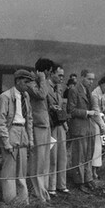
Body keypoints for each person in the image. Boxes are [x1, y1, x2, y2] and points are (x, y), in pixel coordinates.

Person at [0, 69, 34, 204]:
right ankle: (10, 202)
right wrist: (6, 141)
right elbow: (1, 122)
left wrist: (30, 139)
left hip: (23, 131)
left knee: (22, 171)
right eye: (26, 82)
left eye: (29, 82)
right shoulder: (5, 97)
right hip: (11, 131)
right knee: (9, 171)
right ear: (17, 81)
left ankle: (23, 202)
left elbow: (29, 118)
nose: (28, 85)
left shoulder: (26, 96)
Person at [25, 57, 55, 203]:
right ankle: (38, 193)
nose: (49, 75)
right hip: (37, 125)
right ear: (45, 71)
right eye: (49, 72)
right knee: (37, 161)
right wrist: (42, 79)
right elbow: (42, 95)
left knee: (43, 161)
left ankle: (42, 191)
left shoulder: (38, 82)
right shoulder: (32, 82)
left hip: (44, 124)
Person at [67, 70, 99, 193]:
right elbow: (71, 110)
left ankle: (88, 179)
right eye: (89, 79)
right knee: (79, 155)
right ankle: (79, 181)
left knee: (88, 154)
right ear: (82, 78)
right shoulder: (74, 90)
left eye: (92, 79)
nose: (91, 82)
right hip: (79, 127)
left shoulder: (88, 91)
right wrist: (87, 113)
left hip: (88, 127)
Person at [46, 63, 70, 196]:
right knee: (52, 156)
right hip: (51, 124)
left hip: (61, 124)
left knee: (62, 155)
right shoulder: (46, 87)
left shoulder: (59, 88)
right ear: (52, 74)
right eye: (59, 75)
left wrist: (65, 121)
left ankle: (62, 184)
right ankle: (51, 186)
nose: (62, 78)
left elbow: (62, 106)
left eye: (63, 76)